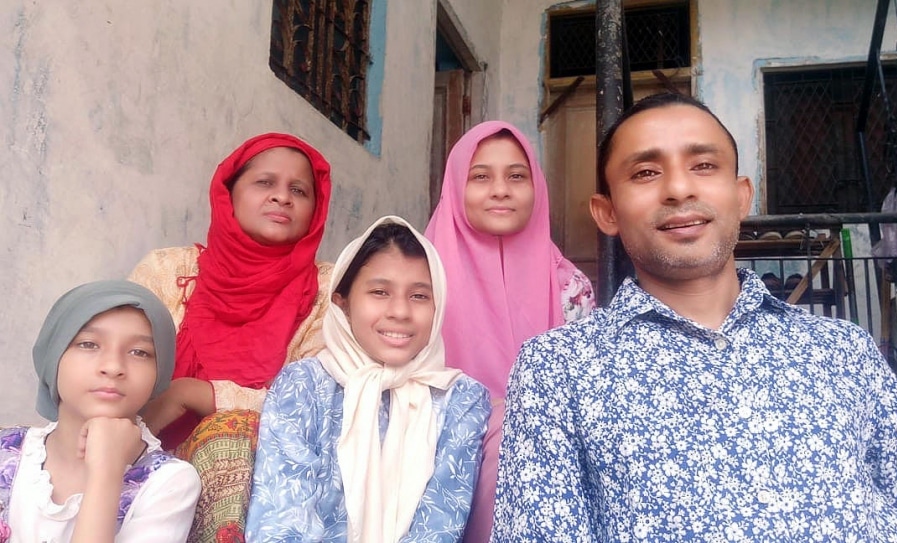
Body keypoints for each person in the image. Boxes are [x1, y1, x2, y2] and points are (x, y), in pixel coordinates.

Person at [492, 93, 897, 541]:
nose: (679, 188)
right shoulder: (557, 369)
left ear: (741, 197)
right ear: (607, 212)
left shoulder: (843, 349)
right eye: (645, 172)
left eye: (703, 165)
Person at [129, 132, 332, 540]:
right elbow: (119, 363)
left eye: (299, 190)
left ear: (316, 208)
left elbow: (316, 402)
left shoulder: (329, 290)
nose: (282, 197)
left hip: (272, 484)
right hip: (147, 458)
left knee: (231, 434)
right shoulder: (167, 271)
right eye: (264, 183)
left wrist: (190, 394)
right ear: (229, 193)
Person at [246, 216, 490, 542]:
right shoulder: (304, 386)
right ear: (342, 304)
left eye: (419, 296)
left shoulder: (460, 398)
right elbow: (281, 519)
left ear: (439, 305)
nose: (400, 311)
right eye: (379, 292)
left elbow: (440, 524)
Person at [425, 121, 594, 540]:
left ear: (537, 187)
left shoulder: (569, 287)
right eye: (480, 176)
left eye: (517, 176)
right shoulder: (417, 281)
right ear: (454, 187)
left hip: (543, 474)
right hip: (431, 460)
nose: (500, 189)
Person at [0, 280, 201, 542]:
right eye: (88, 344)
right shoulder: (6, 453)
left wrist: (106, 471)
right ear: (54, 356)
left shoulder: (168, 483)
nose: (113, 366)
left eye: (139, 352)